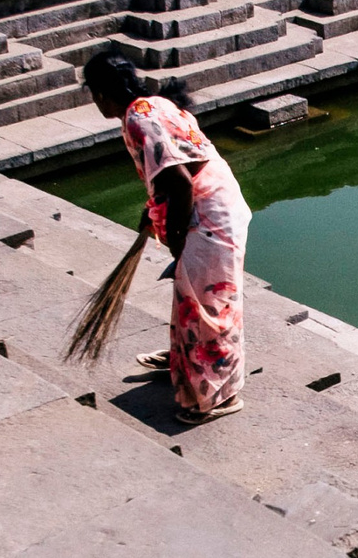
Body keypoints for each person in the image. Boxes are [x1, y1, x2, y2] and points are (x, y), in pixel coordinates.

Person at [80, 49, 249, 422]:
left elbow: (182, 184)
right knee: (197, 299)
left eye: (94, 93)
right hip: (216, 200)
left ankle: (218, 396)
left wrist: (176, 239)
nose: (95, 102)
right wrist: (155, 210)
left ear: (104, 93)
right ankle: (185, 360)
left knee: (209, 308)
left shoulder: (140, 119)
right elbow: (175, 170)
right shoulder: (148, 105)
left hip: (209, 212)